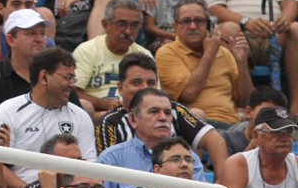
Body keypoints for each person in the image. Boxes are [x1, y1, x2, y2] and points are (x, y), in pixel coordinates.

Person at [95, 53, 228, 173]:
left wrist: (221, 184)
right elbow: (110, 167)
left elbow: (215, 140)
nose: (144, 88)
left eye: (151, 82)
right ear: (120, 88)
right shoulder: (109, 122)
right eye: (136, 82)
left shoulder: (175, 110)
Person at [0, 48, 96, 188]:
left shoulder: (81, 117)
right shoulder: (8, 111)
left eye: (73, 79)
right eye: (67, 78)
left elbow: (89, 167)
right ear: (44, 77)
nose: (72, 85)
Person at [97, 88, 206, 188]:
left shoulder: (190, 159)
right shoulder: (111, 159)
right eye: (154, 112)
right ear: (133, 119)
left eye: (167, 113)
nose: (163, 118)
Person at [156, 0, 253, 129]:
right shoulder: (167, 53)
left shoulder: (224, 53)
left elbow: (245, 101)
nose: (192, 26)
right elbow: (188, 93)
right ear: (175, 27)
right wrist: (209, 54)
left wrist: (242, 64)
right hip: (194, 125)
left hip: (231, 125)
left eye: (199, 21)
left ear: (208, 25)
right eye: (185, 21)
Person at [0, 8, 53, 135]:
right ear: (10, 40)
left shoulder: (55, 76)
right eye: (30, 33)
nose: (39, 39)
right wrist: (32, 127)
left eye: (42, 34)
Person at [73, 0, 155, 120]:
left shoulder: (144, 55)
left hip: (138, 114)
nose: (128, 31)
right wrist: (105, 104)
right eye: (121, 24)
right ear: (105, 25)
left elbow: (154, 93)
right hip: (97, 114)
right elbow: (72, 93)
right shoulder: (87, 51)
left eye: (134, 26)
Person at [218, 106, 298, 188]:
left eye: (289, 131)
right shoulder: (238, 164)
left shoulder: (296, 165)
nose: (284, 137)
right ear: (256, 136)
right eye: (276, 131)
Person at [222, 86, 288, 155]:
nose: (270, 119)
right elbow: (225, 166)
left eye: (276, 115)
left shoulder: (283, 141)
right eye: (265, 112)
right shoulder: (227, 140)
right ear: (249, 112)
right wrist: (254, 144)